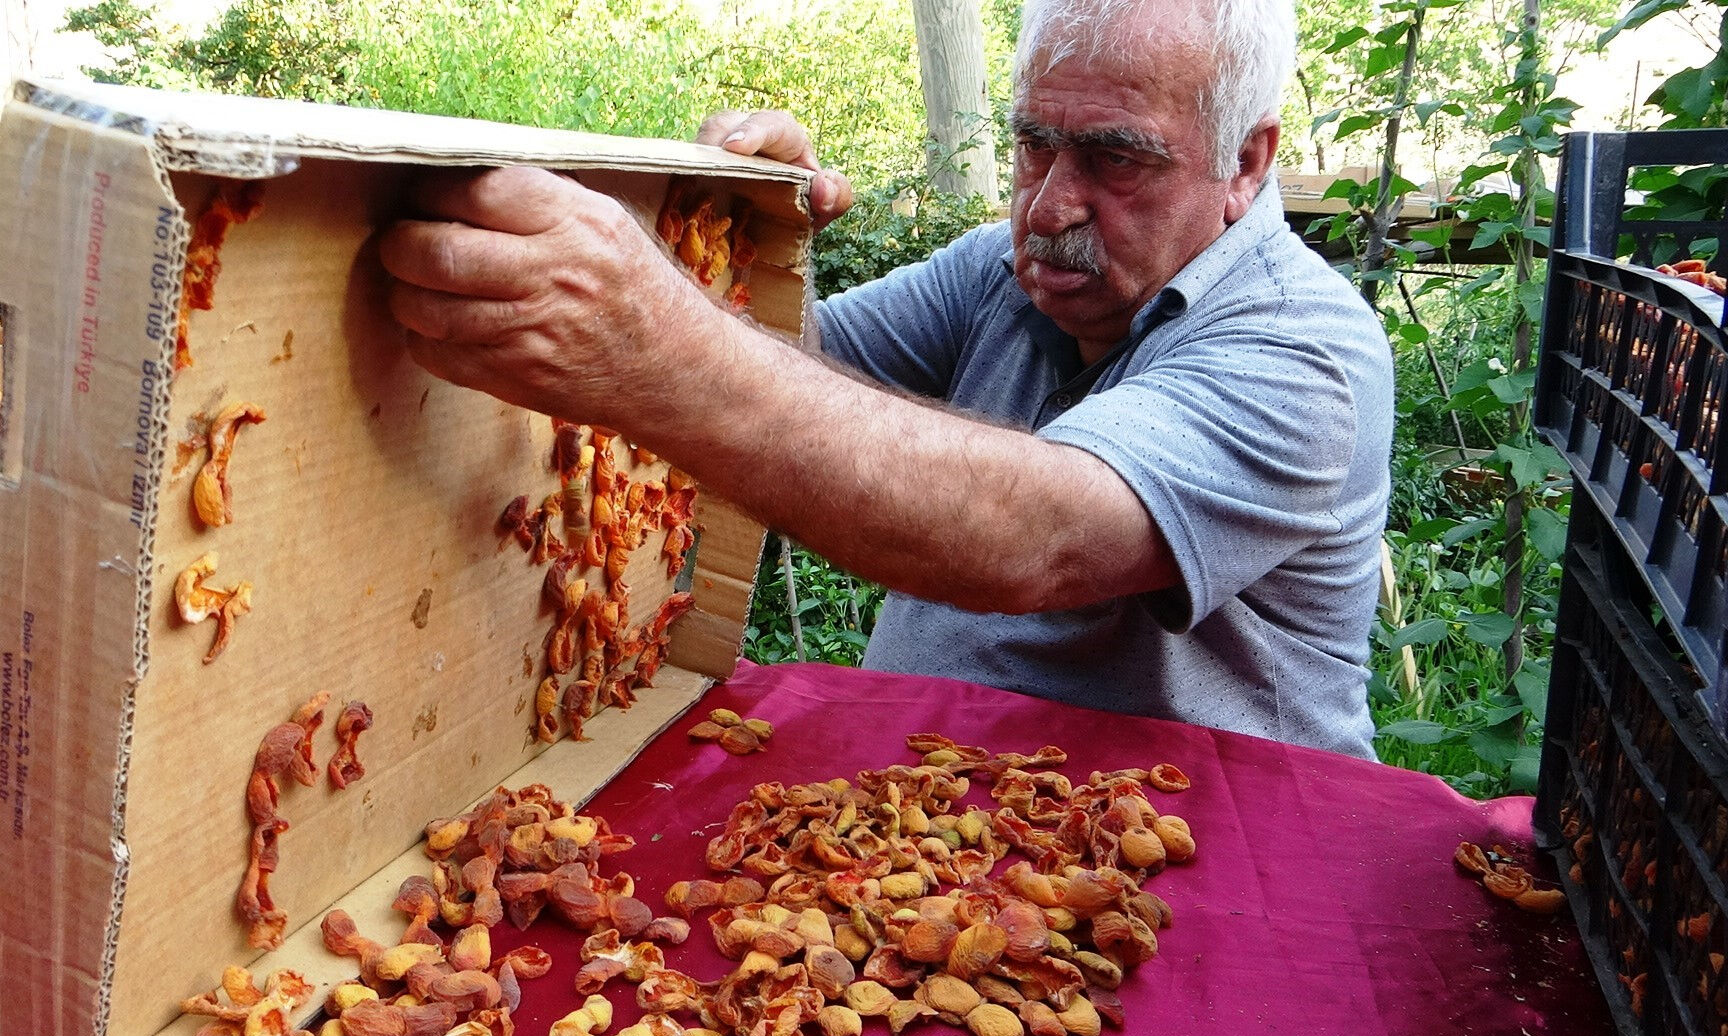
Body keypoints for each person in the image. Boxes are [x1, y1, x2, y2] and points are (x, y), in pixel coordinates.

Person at [376, 0, 1394, 759]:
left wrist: (663, 335)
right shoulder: (1002, 269)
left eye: (1116, 162)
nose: (1046, 209)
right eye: (1033, 145)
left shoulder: (1308, 354)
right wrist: (744, 250)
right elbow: (787, 376)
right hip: (930, 814)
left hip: (1209, 855)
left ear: (1248, 162)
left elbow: (1036, 538)